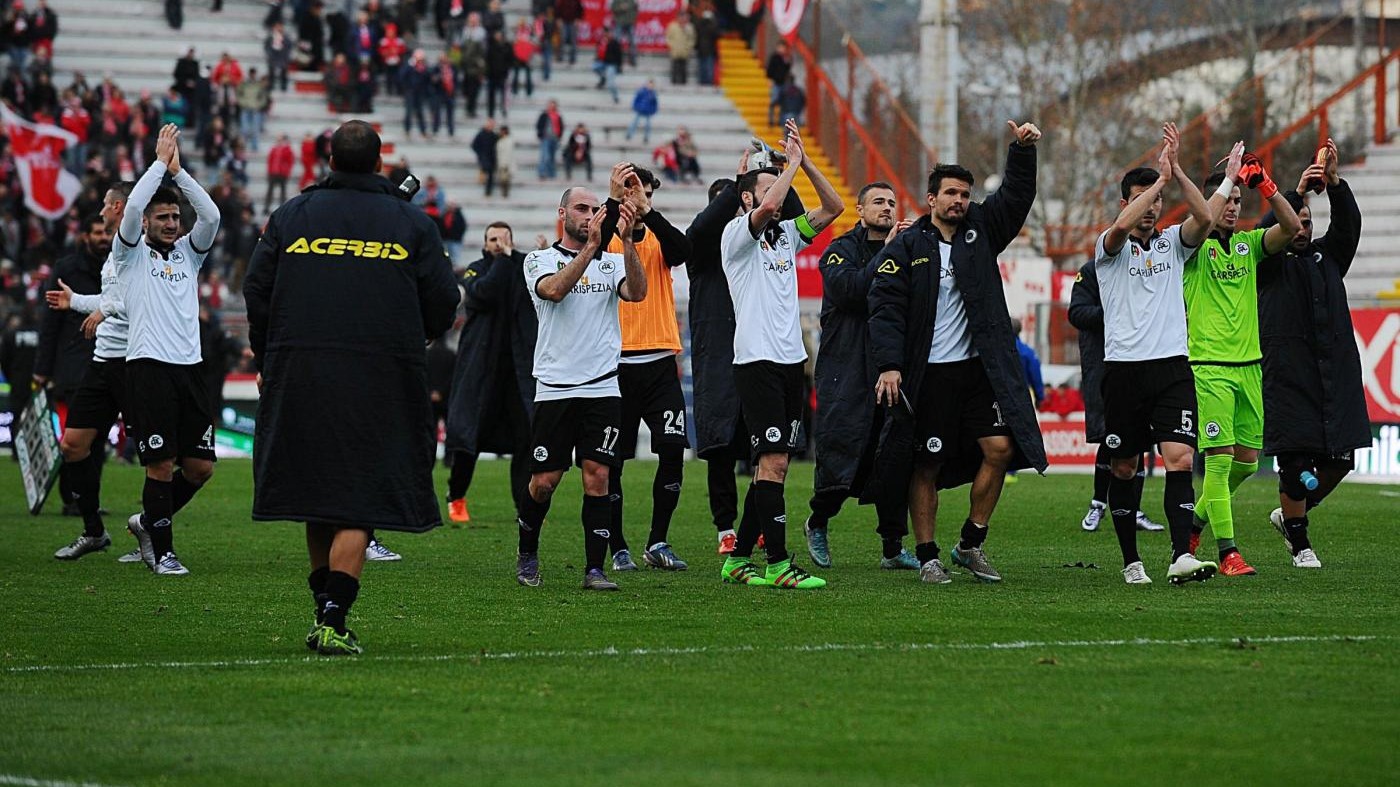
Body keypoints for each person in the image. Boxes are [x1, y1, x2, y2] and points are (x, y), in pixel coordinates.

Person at [243, 120, 460, 655]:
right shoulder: (411, 222)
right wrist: (420, 336)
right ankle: (334, 618)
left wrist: (270, 351)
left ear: (330, 161)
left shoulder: (292, 215)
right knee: (360, 495)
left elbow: (257, 287)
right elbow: (443, 299)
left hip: (301, 372)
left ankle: (325, 612)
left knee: (319, 496)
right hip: (380, 375)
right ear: (380, 162)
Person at [865, 121, 1047, 585]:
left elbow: (1014, 200)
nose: (959, 202)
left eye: (965, 194)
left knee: (1001, 449)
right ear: (931, 199)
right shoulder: (906, 246)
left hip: (978, 372)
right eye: (951, 193)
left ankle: (970, 543)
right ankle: (927, 555)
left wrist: (1021, 153)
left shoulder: (981, 231)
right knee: (926, 464)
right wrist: (889, 365)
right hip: (931, 377)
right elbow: (884, 308)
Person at [1088, 125, 1240, 585]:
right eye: (1143, 199)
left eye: (1157, 201)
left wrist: (1202, 179)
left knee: (1178, 459)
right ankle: (1131, 559)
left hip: (1172, 369)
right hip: (1124, 373)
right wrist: (1157, 181)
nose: (1153, 207)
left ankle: (1180, 556)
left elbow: (1204, 217)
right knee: (1125, 465)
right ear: (1126, 201)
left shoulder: (1173, 244)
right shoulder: (1107, 249)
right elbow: (1119, 227)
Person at [720, 120, 843, 589]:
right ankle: (776, 565)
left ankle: (736, 561)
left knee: (774, 466)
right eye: (766, 186)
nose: (776, 193)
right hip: (756, 362)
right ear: (748, 197)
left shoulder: (787, 236)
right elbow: (772, 201)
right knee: (771, 463)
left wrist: (805, 161)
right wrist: (785, 167)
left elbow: (834, 207)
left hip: (792, 363)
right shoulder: (736, 234)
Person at [516, 187, 646, 590]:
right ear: (562, 213)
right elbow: (554, 291)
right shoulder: (538, 260)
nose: (590, 215)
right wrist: (590, 249)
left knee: (598, 478)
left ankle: (594, 569)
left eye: (594, 209)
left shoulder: (610, 263)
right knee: (545, 482)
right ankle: (528, 551)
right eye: (581, 208)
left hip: (602, 388)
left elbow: (638, 292)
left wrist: (625, 242)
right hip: (555, 388)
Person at [1183, 147, 1304, 576]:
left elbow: (1291, 227)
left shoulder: (1248, 246)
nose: (1233, 207)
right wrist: (1230, 180)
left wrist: (1265, 185)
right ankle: (1228, 552)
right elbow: (1199, 223)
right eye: (1226, 201)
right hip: (1209, 367)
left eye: (1237, 201)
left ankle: (1194, 523)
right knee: (1217, 462)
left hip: (1250, 366)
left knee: (1247, 464)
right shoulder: (1192, 251)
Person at [113, 124, 221, 576]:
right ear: (144, 224)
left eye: (175, 218)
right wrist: (159, 166)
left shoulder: (188, 255)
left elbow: (211, 217)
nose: (172, 224)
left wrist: (180, 174)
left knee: (199, 469)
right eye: (164, 219)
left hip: (190, 369)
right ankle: (164, 552)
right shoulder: (129, 254)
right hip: (149, 367)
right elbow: (135, 203)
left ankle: (147, 524)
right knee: (159, 465)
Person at [1255, 139, 1366, 569]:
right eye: (1294, 222)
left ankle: (1290, 514)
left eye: (1306, 222)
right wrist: (1295, 193)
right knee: (1294, 460)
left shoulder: (1328, 257)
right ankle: (1300, 543)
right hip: (1290, 375)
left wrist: (1334, 184)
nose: (1301, 228)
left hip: (1333, 373)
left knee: (1342, 459)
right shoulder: (1267, 263)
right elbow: (1269, 226)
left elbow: (1348, 228)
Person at [687, 150, 805, 554]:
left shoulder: (776, 238)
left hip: (778, 355)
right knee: (722, 446)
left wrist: (792, 166)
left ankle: (745, 548)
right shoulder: (717, 239)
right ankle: (730, 533)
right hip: (729, 353)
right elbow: (707, 227)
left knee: (771, 459)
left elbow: (793, 212)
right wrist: (746, 180)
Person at [804, 181, 918, 570]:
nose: (887, 208)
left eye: (891, 202)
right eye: (878, 202)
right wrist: (887, 255)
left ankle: (892, 547)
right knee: (843, 452)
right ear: (859, 208)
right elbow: (851, 291)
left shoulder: (907, 253)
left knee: (892, 457)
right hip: (846, 369)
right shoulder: (839, 252)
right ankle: (818, 521)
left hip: (891, 369)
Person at [598, 165, 692, 571]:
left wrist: (646, 210)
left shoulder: (659, 237)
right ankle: (617, 546)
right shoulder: (604, 239)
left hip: (659, 364)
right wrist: (613, 201)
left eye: (644, 192)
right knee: (612, 460)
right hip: (615, 364)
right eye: (631, 191)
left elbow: (684, 251)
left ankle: (658, 540)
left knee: (672, 449)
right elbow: (592, 245)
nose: (636, 198)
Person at [445, 222, 536, 524]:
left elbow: (540, 291)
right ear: (485, 243)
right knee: (469, 436)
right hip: (480, 368)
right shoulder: (476, 269)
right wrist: (502, 261)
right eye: (493, 239)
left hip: (518, 369)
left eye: (504, 238)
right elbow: (483, 293)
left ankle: (524, 505)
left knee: (526, 437)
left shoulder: (525, 265)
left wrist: (521, 258)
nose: (498, 243)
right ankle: (456, 497)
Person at [42, 208, 120, 558]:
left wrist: (91, 306)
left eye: (105, 232)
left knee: (99, 444)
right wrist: (42, 369)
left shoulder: (128, 254)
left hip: (124, 360)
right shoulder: (68, 268)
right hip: (77, 366)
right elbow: (51, 322)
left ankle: (150, 532)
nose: (103, 237)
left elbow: (118, 302)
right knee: (74, 441)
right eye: (97, 231)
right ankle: (75, 504)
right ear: (86, 236)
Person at [1069, 258, 1166, 535]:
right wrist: (1115, 310)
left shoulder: (1147, 267)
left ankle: (1133, 509)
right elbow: (1076, 313)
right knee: (1110, 437)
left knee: (1139, 437)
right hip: (1105, 365)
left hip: (1144, 365)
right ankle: (1098, 503)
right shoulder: (1091, 271)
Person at [765, 40, 791, 126]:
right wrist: (770, 79)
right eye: (780, 47)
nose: (782, 49)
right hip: (775, 82)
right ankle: (771, 119)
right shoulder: (774, 57)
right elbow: (769, 70)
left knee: (782, 102)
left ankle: (781, 121)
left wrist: (787, 63)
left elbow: (787, 70)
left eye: (783, 48)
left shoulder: (786, 58)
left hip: (783, 83)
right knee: (773, 101)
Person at [665, 11, 695, 85]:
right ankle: (673, 85)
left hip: (685, 52)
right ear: (678, 18)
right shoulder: (672, 26)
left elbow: (692, 39)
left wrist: (688, 47)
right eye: (681, 17)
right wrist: (672, 46)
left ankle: (683, 85)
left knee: (684, 70)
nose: (683, 19)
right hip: (675, 52)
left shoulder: (689, 27)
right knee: (674, 70)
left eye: (685, 17)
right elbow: (668, 37)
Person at [265, 133, 294, 212]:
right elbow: (270, 160)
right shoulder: (274, 149)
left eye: (280, 140)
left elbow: (290, 162)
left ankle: (282, 207)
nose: (279, 141)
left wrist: (287, 171)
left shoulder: (287, 149)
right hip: (273, 172)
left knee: (283, 190)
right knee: (270, 190)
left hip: (282, 173)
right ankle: (267, 207)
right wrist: (269, 171)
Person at [535, 99, 562, 180]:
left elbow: (561, 126)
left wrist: (559, 136)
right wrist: (540, 135)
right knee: (545, 156)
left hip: (554, 138)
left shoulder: (557, 115)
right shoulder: (544, 115)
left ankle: (552, 174)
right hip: (545, 138)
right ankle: (542, 173)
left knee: (552, 157)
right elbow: (539, 125)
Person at [471, 118, 499, 195]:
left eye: (492, 125)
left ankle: (488, 191)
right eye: (490, 125)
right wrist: (480, 153)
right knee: (487, 169)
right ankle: (483, 180)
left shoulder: (494, 135)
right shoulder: (481, 134)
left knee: (491, 174)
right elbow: (474, 145)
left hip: (492, 158)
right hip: (484, 157)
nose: (491, 126)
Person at [627, 80, 658, 144]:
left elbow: (655, 104)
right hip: (640, 110)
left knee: (647, 125)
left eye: (652, 85)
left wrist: (652, 111)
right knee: (634, 123)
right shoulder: (641, 91)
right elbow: (636, 100)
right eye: (649, 85)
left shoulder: (653, 94)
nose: (650, 86)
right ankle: (629, 134)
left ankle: (646, 137)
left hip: (647, 112)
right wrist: (636, 107)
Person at [611, 0, 638, 67]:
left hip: (630, 23)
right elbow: (613, 8)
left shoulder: (632, 1)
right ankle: (616, 59)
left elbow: (636, 9)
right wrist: (621, 8)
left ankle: (633, 60)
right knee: (616, 42)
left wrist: (633, 19)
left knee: (633, 42)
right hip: (619, 23)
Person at [495, 124, 515, 198]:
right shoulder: (500, 140)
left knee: (505, 179)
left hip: (506, 163)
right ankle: (504, 193)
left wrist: (506, 164)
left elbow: (508, 153)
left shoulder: (509, 141)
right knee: (502, 179)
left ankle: (505, 193)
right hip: (501, 162)